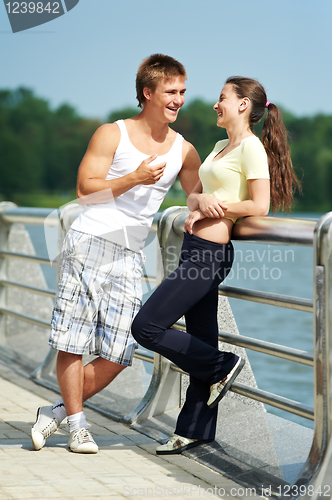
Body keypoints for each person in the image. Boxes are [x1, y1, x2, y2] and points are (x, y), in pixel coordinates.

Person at [30, 54, 201, 454]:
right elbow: (85, 191)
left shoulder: (183, 150)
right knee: (72, 341)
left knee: (121, 351)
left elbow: (196, 194)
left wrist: (216, 207)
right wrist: (133, 178)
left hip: (129, 255)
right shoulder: (113, 133)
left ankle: (55, 412)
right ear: (148, 92)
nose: (179, 99)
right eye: (171, 91)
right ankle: (77, 426)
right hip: (88, 242)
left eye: (183, 92)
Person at [131, 76, 301, 455]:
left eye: (222, 98)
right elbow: (196, 196)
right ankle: (194, 429)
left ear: (243, 104)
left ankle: (222, 365)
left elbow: (259, 206)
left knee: (146, 326)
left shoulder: (252, 149)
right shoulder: (221, 146)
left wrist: (216, 206)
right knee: (200, 340)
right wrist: (198, 205)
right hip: (194, 249)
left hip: (209, 258)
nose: (215, 104)